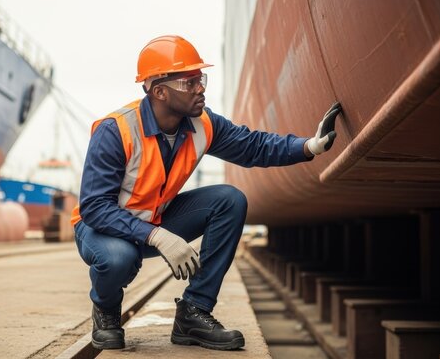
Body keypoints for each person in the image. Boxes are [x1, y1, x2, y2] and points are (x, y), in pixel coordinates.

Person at [71, 35, 342, 351]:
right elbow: (95, 207)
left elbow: (253, 146)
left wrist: (308, 146)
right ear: (159, 91)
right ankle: (105, 311)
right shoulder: (115, 130)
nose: (200, 88)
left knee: (229, 200)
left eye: (201, 78)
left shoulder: (203, 123)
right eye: (189, 82)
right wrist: (157, 237)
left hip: (154, 220)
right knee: (119, 258)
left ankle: (194, 312)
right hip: (102, 229)